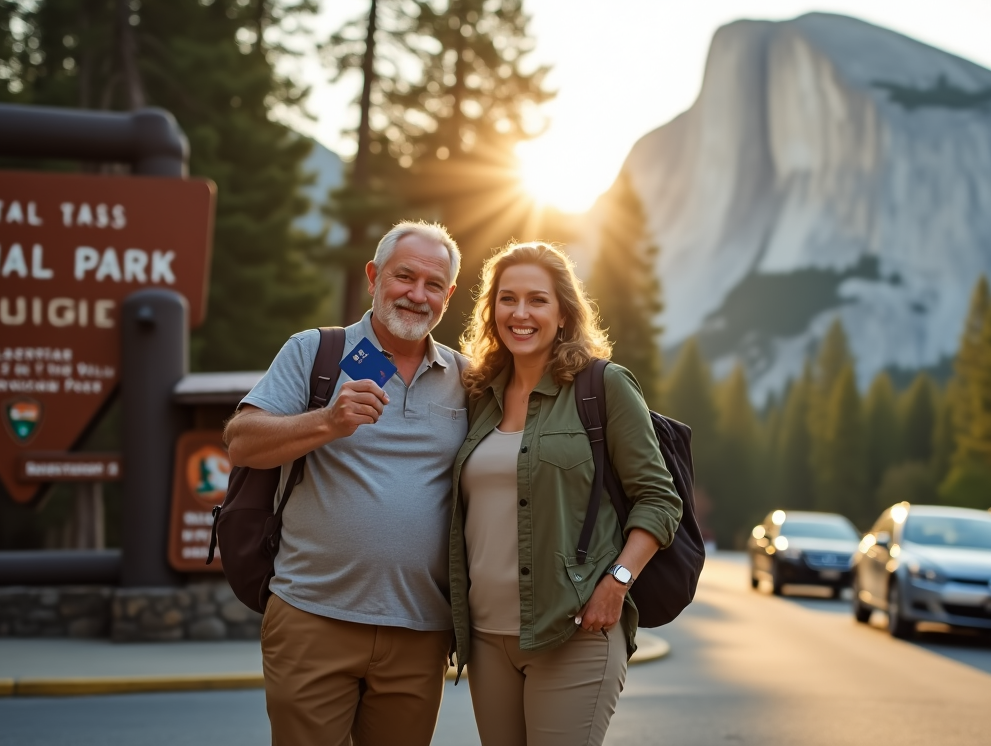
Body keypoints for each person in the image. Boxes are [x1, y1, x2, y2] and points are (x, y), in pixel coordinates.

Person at [225, 221, 469, 746]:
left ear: (449, 296)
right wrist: (328, 422)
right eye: (405, 277)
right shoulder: (315, 352)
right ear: (373, 276)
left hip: (421, 629)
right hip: (312, 617)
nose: (416, 295)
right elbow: (241, 441)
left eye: (433, 286)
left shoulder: (468, 379)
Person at [449, 242, 683, 746]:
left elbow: (659, 499)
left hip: (574, 631)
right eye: (507, 299)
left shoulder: (603, 386)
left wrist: (617, 581)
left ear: (563, 313)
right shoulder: (479, 396)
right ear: (492, 311)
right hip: (488, 639)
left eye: (537, 299)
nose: (521, 313)